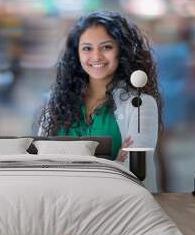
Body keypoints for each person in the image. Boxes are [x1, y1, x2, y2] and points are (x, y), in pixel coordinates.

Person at [38, 11, 163, 193]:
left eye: (106, 47)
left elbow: (135, 173)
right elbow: (43, 164)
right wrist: (114, 163)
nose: (96, 56)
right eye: (87, 48)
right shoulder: (57, 102)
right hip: (62, 204)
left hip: (119, 208)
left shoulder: (140, 104)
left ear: (122, 50)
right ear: (77, 53)